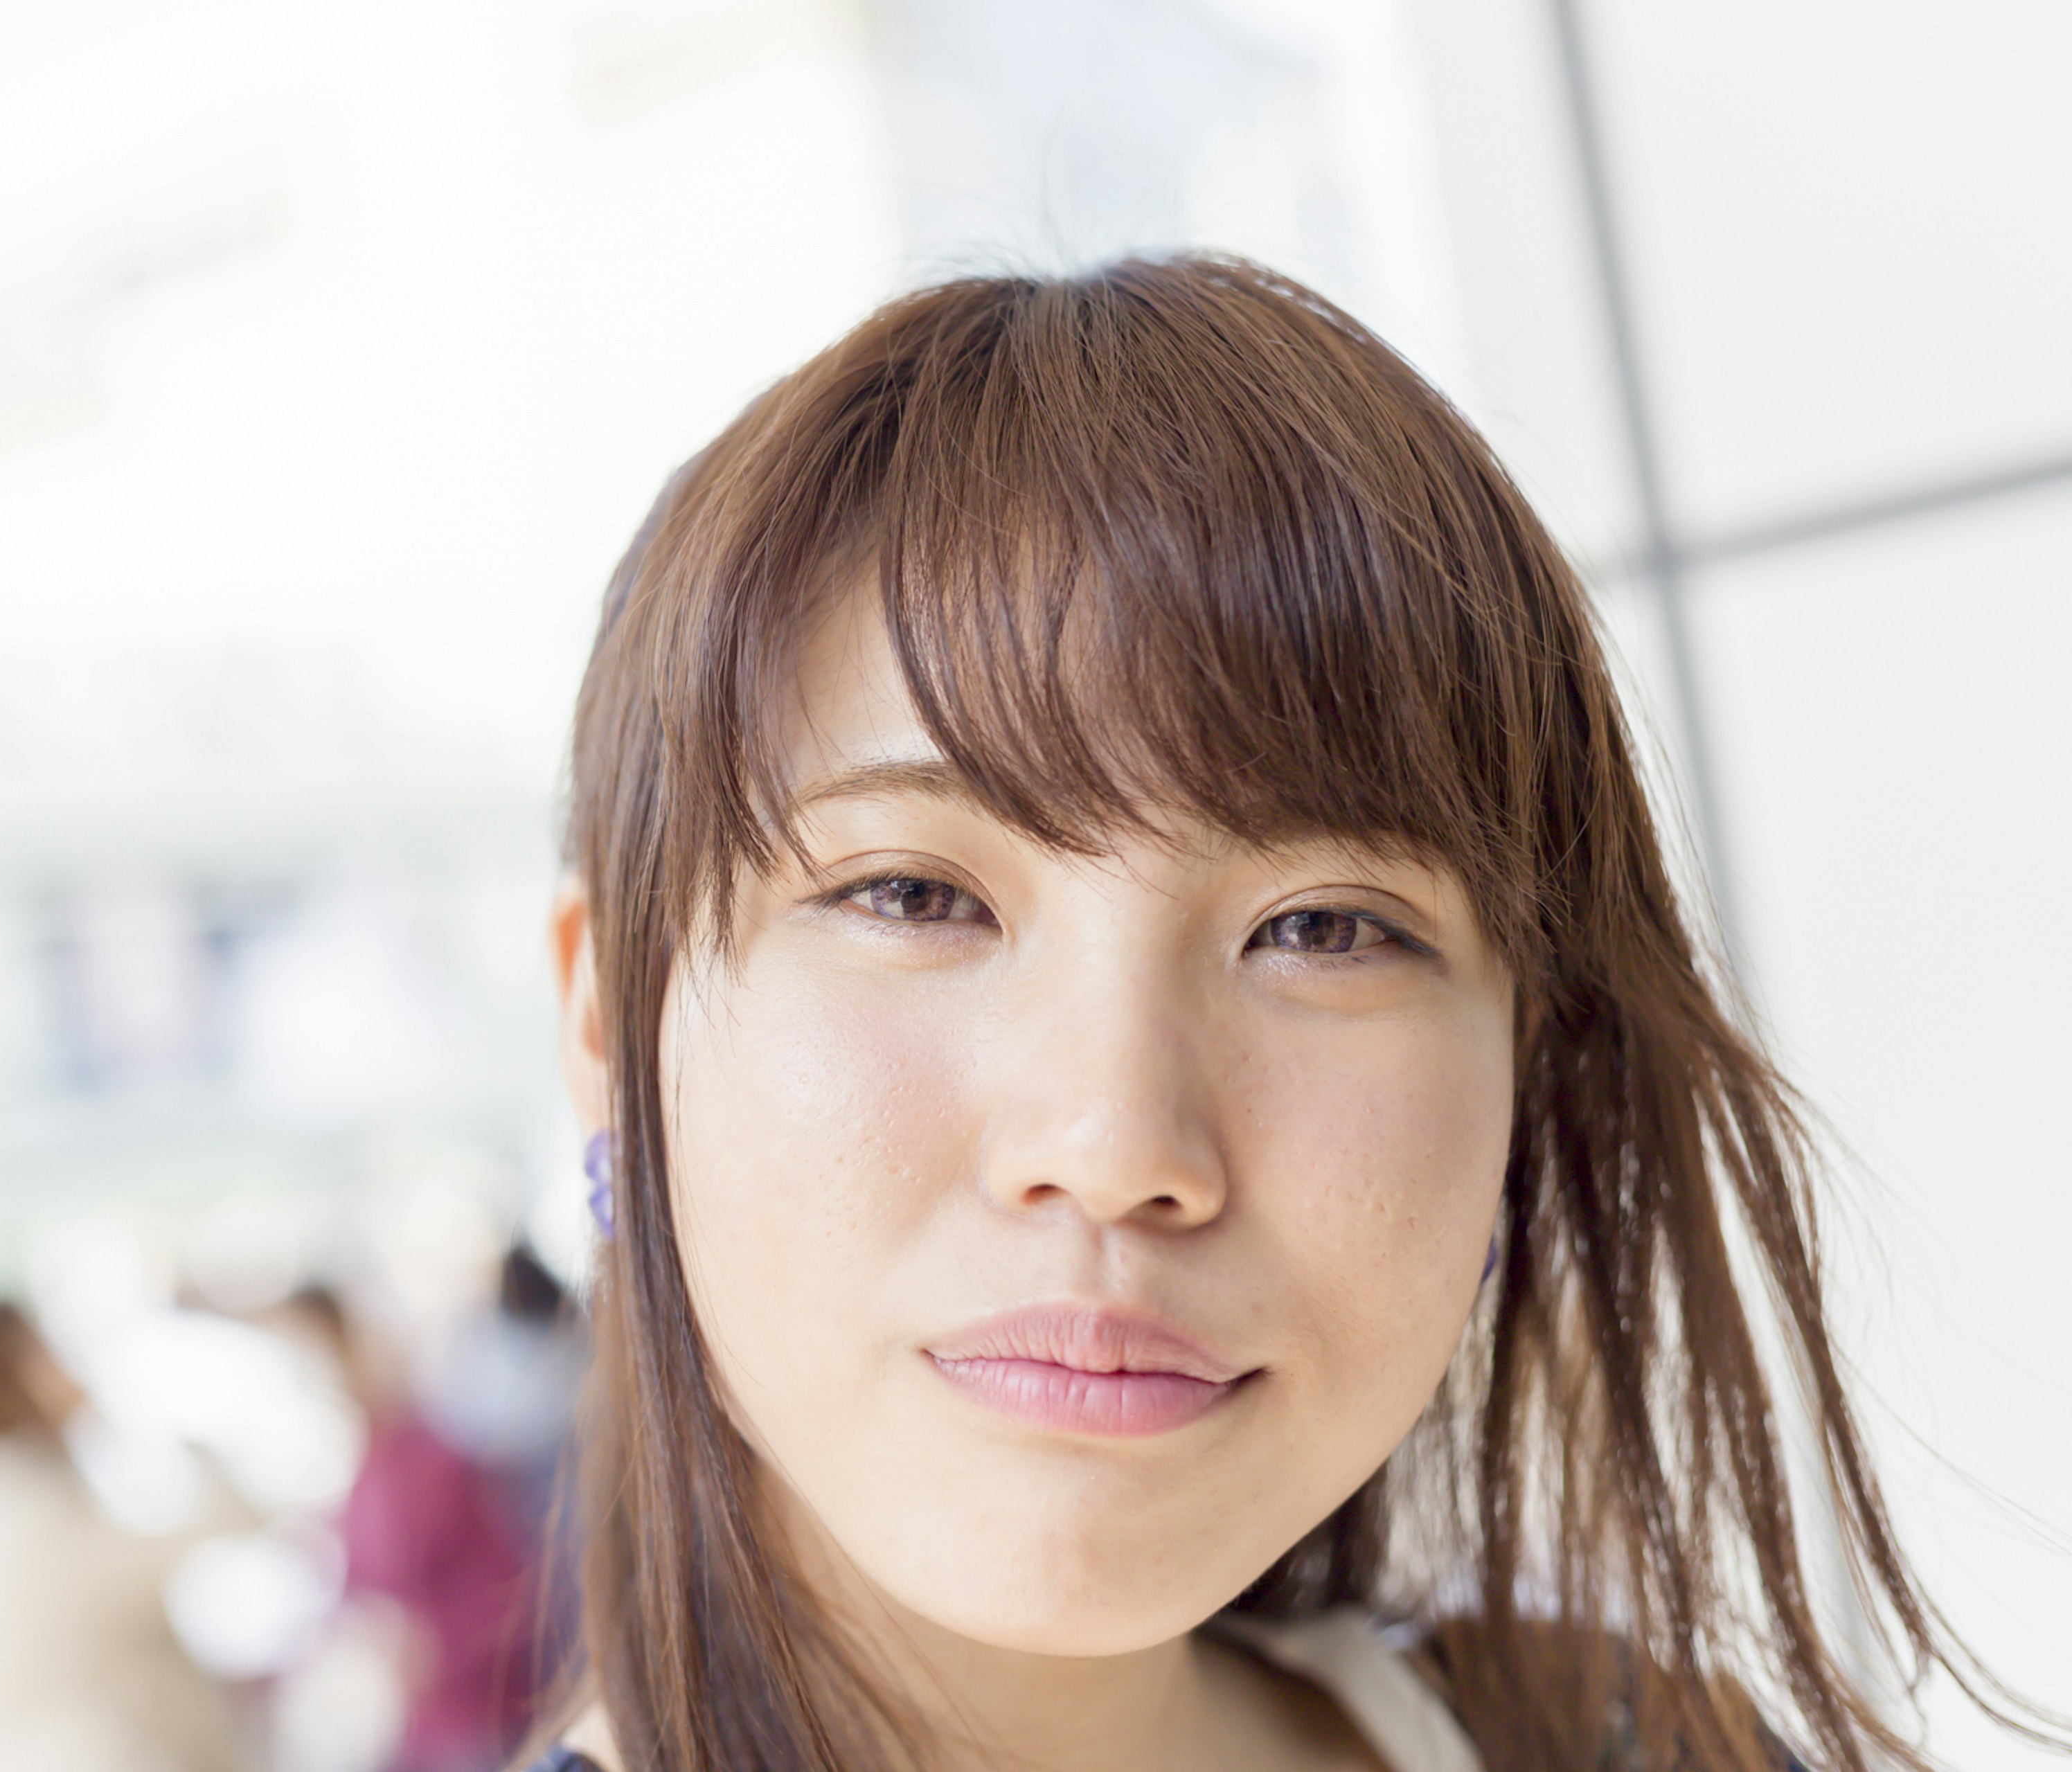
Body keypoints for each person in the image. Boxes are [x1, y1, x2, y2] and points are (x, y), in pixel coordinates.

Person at [526, 258, 2063, 1772]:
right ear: (610, 1027)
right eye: (915, 895)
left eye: (1323, 928)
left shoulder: (1630, 1742)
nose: (1120, 1145)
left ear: (1527, 1059)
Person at [0, 1302, 242, 1772]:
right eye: (45, 1349)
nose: (68, 1362)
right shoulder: (29, 1509)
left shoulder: (1, 1498)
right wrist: (118, 1412)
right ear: (17, 1374)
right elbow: (216, 1528)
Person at [289, 1285, 535, 1772]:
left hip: (479, 1721)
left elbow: (517, 1591)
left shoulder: (433, 1459)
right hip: (414, 1729)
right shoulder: (358, 1473)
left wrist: (434, 1650)